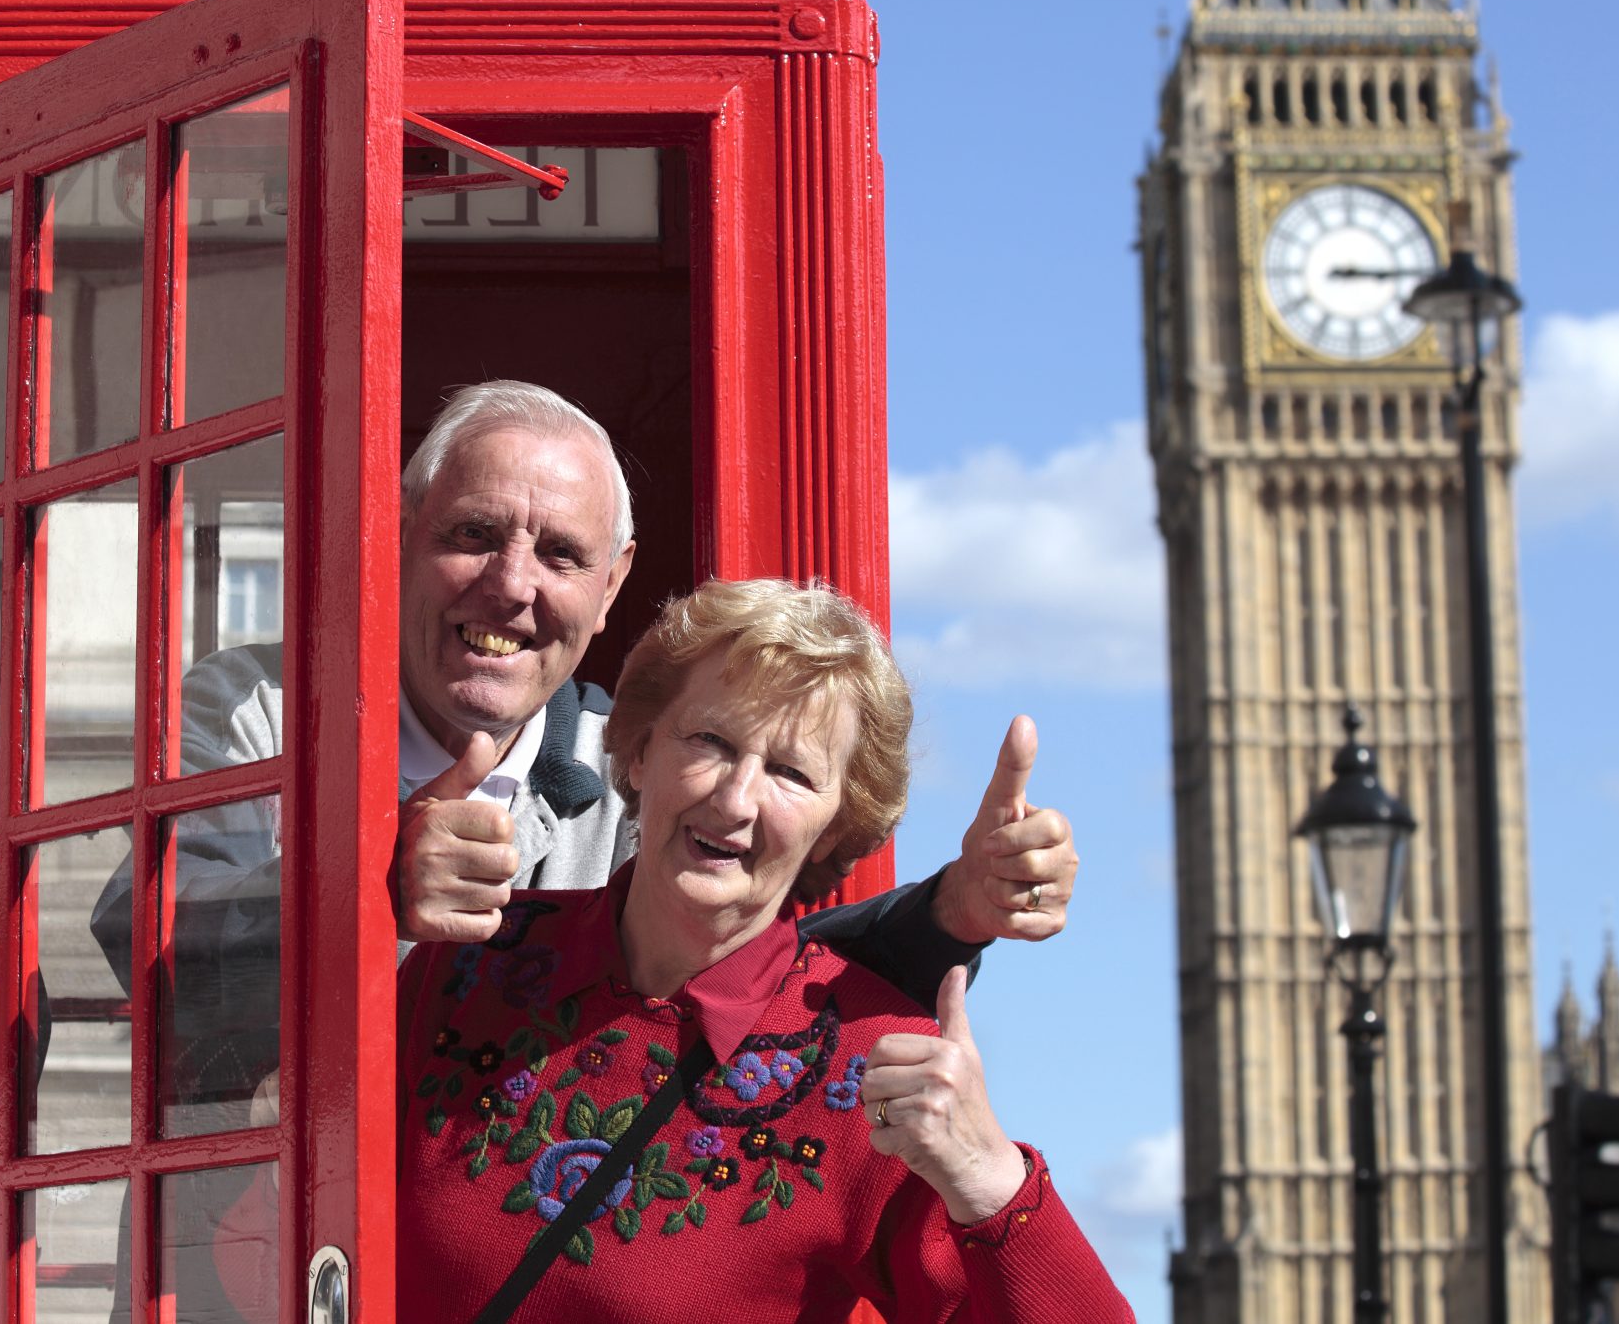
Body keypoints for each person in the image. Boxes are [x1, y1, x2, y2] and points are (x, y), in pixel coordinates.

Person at [95, 380, 1081, 1119]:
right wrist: (365, 888)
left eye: (561, 555)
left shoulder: (640, 770)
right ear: (394, 536)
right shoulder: (257, 711)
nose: (511, 586)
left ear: (612, 589)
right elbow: (142, 945)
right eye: (474, 533)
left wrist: (950, 915)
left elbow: (760, 984)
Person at [395, 579, 1131, 1323]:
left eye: (791, 772)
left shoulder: (870, 1070)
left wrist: (990, 1175)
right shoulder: (468, 961)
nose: (736, 798)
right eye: (710, 740)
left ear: (839, 825)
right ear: (642, 749)